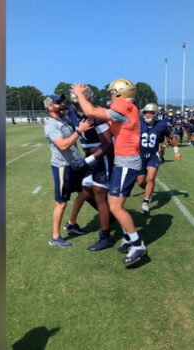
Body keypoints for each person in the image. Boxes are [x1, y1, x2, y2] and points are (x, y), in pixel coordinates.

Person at [71, 79, 146, 264]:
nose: (110, 95)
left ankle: (138, 245)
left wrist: (80, 93)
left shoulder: (125, 107)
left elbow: (90, 111)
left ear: (119, 93)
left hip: (127, 161)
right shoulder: (128, 107)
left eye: (113, 92)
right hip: (123, 160)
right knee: (114, 203)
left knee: (115, 207)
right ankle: (129, 238)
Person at [66, 85, 115, 251]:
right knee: (85, 190)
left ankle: (106, 237)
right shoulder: (71, 112)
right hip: (89, 157)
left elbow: (108, 144)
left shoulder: (97, 114)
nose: (78, 107)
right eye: (76, 103)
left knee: (99, 193)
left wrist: (89, 160)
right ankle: (109, 216)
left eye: (81, 103)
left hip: (103, 157)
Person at [43, 94, 93, 248]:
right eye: (58, 103)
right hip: (62, 167)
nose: (61, 104)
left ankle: (71, 224)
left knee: (85, 192)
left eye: (61, 102)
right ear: (50, 107)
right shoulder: (50, 125)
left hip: (75, 164)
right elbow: (63, 145)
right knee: (61, 203)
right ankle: (55, 237)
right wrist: (79, 131)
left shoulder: (64, 119)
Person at [136, 103, 182, 213]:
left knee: (151, 178)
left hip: (153, 155)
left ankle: (146, 202)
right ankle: (149, 191)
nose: (147, 115)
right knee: (140, 182)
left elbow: (172, 136)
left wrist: (176, 151)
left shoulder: (161, 125)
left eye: (150, 113)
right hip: (140, 155)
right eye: (146, 112)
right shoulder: (139, 123)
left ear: (155, 114)